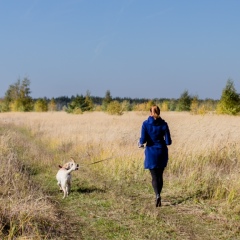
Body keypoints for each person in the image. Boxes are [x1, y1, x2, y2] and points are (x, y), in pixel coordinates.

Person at [138, 105, 172, 207]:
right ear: (159, 112)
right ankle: (159, 195)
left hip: (151, 152)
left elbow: (143, 140)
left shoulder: (145, 124)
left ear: (150, 113)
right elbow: (168, 142)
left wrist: (139, 143)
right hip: (161, 151)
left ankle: (157, 195)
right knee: (160, 176)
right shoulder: (164, 124)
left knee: (154, 176)